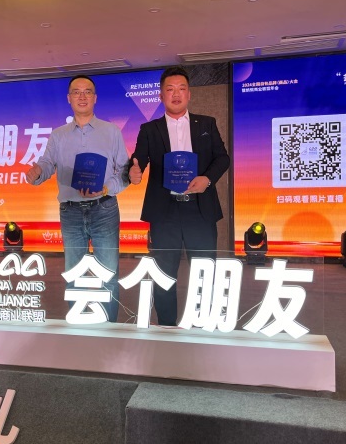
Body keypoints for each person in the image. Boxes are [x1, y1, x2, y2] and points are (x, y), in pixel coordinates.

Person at [129, 66, 230, 326]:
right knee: (164, 274)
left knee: (205, 271)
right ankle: (166, 328)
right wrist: (134, 170)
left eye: (181, 89)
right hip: (165, 212)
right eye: (170, 89)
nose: (176, 94)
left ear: (189, 94)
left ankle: (202, 325)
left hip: (200, 209)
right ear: (161, 96)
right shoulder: (149, 129)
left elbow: (222, 158)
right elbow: (139, 159)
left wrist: (207, 179)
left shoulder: (206, 124)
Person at [26, 74, 129, 322]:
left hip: (104, 209)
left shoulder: (112, 131)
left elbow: (124, 172)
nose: (82, 96)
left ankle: (109, 329)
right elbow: (47, 163)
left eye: (87, 91)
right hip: (70, 211)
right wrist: (37, 173)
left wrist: (106, 188)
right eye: (76, 92)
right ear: (69, 98)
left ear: (95, 98)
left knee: (108, 275)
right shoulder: (58, 135)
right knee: (73, 275)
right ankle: (78, 330)